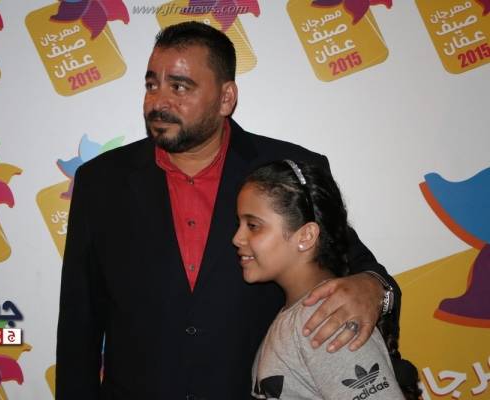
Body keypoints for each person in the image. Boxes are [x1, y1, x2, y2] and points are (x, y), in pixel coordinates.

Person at [56, 21, 401, 399]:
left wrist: (374, 289)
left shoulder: (289, 170)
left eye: (179, 87)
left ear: (226, 98)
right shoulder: (101, 181)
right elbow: (79, 324)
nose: (158, 102)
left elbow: (365, 272)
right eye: (152, 85)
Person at [233, 160, 420, 400]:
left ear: (306, 236)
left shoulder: (326, 321)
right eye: (240, 224)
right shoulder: (300, 316)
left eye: (253, 225)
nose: (237, 238)